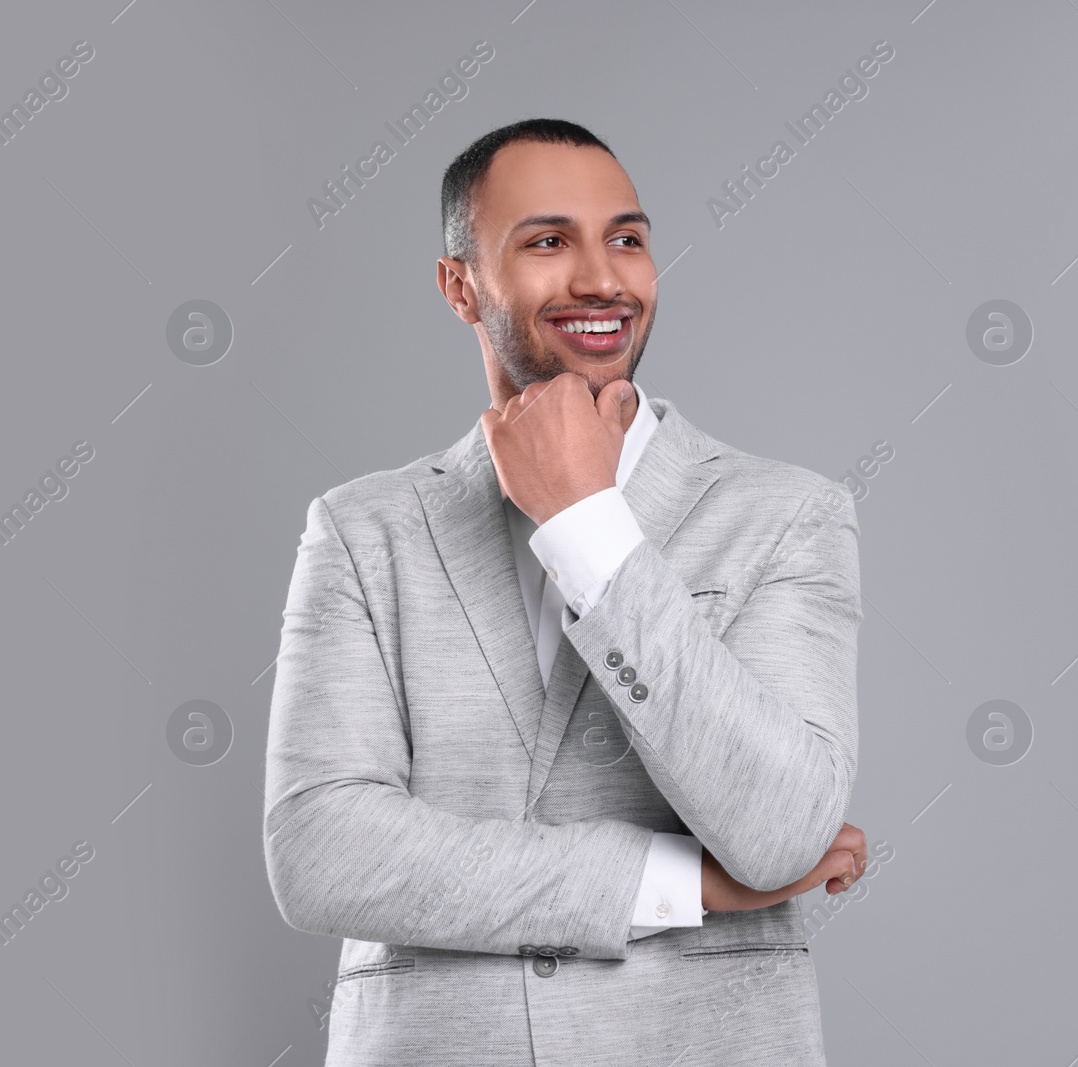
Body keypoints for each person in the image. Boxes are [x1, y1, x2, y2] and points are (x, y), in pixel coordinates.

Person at [262, 118, 867, 1066]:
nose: (601, 279)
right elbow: (320, 850)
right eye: (549, 242)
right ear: (461, 284)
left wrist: (588, 525)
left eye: (626, 238)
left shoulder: (788, 514)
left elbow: (783, 831)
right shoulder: (362, 528)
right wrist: (676, 883)